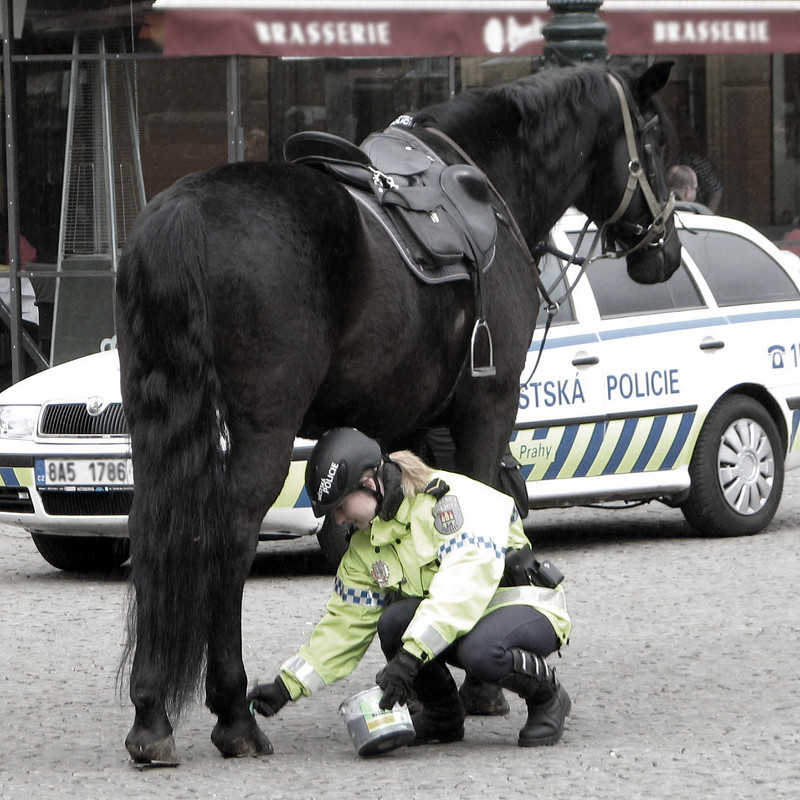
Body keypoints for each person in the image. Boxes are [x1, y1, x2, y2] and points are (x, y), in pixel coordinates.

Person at [247, 427, 572, 748]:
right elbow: (343, 626)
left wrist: (410, 658)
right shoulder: (366, 544)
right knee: (392, 622)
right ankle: (442, 716)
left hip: (527, 606)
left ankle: (548, 695)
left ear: (370, 482)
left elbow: (462, 586)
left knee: (480, 651)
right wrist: (285, 687)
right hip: (466, 620)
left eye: (340, 507)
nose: (339, 520)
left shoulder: (452, 501)